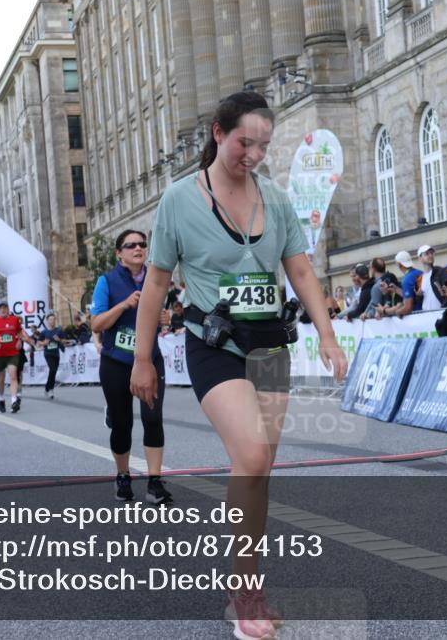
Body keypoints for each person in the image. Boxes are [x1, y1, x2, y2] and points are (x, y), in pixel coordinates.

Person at [129, 91, 348, 639]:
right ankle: (246, 590)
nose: (253, 154)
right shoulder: (179, 200)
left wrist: (327, 334)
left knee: (261, 465)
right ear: (217, 133)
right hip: (214, 343)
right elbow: (156, 282)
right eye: (244, 142)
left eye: (263, 145)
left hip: (271, 345)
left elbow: (299, 271)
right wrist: (142, 359)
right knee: (249, 452)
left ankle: (242, 585)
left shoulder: (275, 199)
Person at [90, 229, 172, 506]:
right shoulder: (107, 281)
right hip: (117, 362)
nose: (138, 248)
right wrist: (124, 305)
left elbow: (164, 316)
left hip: (150, 358)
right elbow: (96, 324)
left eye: (142, 244)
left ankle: (155, 481)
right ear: (119, 253)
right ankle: (123, 475)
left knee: (152, 418)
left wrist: (165, 317)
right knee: (122, 424)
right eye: (131, 245)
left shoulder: (157, 277)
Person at [0, 300, 33, 413]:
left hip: (12, 354)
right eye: (1, 307)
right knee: (1, 379)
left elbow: (20, 332)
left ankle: (14, 401)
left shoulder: (14, 320)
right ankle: (1, 399)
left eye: (5, 307)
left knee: (13, 376)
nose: (3, 309)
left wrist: (19, 340)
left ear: (8, 309)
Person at [37, 312, 74, 399]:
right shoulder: (44, 332)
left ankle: (47, 387)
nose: (52, 321)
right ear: (47, 321)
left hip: (56, 354)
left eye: (54, 320)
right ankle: (50, 390)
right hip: (48, 354)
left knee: (53, 372)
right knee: (52, 369)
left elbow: (65, 340)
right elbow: (38, 342)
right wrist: (44, 343)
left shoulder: (58, 330)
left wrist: (59, 339)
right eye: (50, 320)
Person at [384, 250, 423, 317]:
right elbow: (412, 295)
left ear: (399, 264)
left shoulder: (406, 279)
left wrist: (397, 312)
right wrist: (396, 289)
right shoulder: (420, 272)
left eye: (396, 263)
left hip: (418, 316)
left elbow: (408, 307)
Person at [417, 245, 447, 312]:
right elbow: (420, 299)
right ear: (420, 259)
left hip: (441, 313)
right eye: (427, 254)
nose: (430, 255)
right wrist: (419, 296)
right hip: (425, 315)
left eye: (431, 253)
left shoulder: (441, 272)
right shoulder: (420, 278)